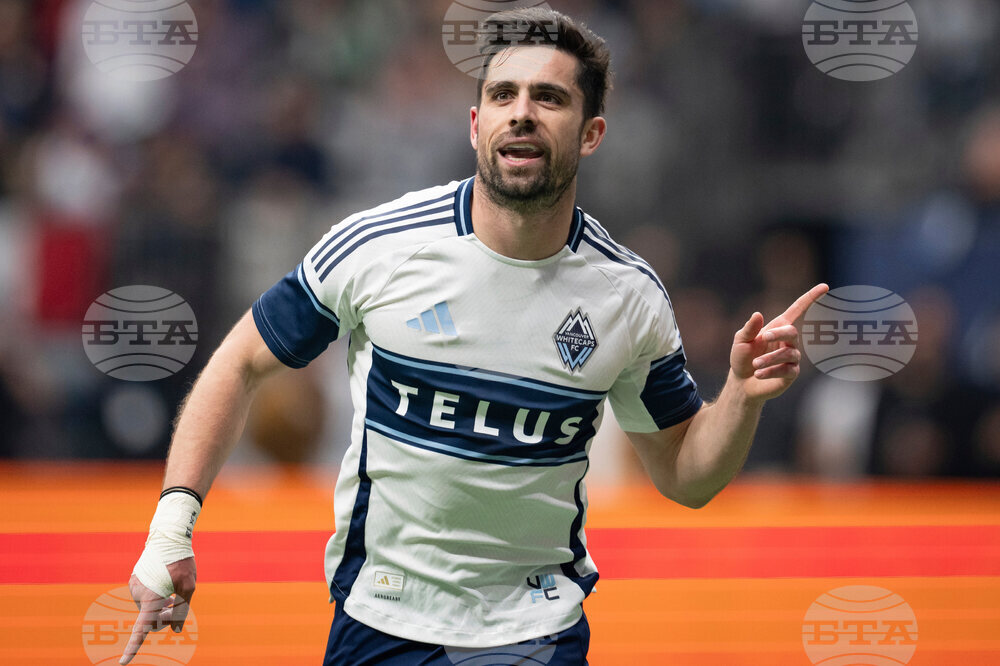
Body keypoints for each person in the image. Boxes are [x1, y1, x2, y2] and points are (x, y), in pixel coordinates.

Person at [120, 8, 827, 665]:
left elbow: (686, 476)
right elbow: (240, 361)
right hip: (380, 623)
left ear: (591, 134)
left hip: (538, 633)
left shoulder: (628, 296)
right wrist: (171, 530)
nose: (521, 113)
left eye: (549, 98)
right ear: (475, 122)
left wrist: (741, 396)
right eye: (503, 95)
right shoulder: (379, 247)